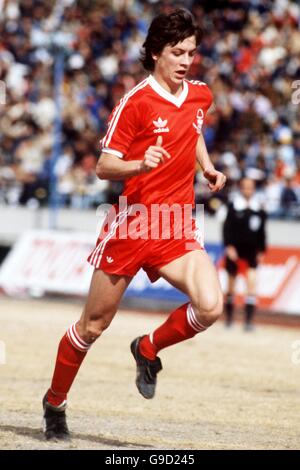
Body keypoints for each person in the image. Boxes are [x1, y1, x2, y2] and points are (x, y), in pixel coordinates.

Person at [42, 9, 226, 440]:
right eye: (177, 52)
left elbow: (194, 130)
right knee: (92, 326)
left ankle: (147, 348)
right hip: (134, 225)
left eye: (192, 53)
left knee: (212, 305)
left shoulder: (200, 95)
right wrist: (139, 163)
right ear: (155, 53)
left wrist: (208, 167)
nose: (186, 61)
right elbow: (104, 166)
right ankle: (55, 403)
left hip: (176, 224)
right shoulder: (136, 102)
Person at [222, 177, 267, 331]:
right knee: (231, 286)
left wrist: (262, 250)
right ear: (241, 188)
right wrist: (229, 247)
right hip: (235, 250)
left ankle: (248, 322)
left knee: (252, 285)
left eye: (251, 187)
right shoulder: (233, 206)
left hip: (251, 251)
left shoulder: (259, 209)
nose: (248, 190)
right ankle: (228, 319)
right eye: (245, 187)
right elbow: (226, 229)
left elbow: (262, 232)